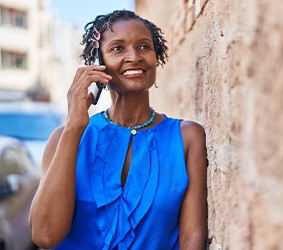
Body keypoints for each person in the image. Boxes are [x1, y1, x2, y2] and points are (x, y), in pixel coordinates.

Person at [29, 10, 208, 250]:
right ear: (97, 62)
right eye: (118, 48)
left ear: (157, 57)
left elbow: (192, 238)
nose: (134, 57)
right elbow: (44, 236)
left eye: (144, 47)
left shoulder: (187, 137)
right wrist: (74, 126)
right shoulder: (64, 138)